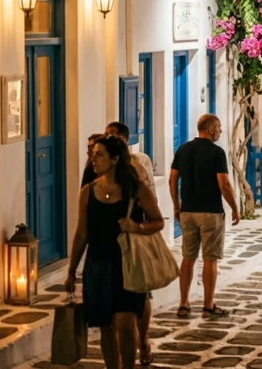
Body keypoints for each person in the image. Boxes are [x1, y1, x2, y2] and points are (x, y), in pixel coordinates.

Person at [65, 136, 165, 369]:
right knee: (106, 327)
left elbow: (158, 222)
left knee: (125, 324)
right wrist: (71, 270)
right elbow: (82, 234)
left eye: (99, 154)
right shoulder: (88, 192)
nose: (93, 158)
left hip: (128, 265)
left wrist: (137, 227)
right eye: (93, 154)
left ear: (115, 159)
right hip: (98, 265)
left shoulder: (136, 190)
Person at [170, 115, 241, 319]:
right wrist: (234, 208)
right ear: (210, 129)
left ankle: (183, 304)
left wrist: (177, 206)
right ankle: (208, 306)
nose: (220, 131)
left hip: (188, 212)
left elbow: (172, 180)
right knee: (210, 259)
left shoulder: (183, 149)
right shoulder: (217, 153)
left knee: (188, 258)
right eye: (218, 127)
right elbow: (224, 184)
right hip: (210, 212)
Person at [104, 123, 155, 365]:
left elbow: (150, 204)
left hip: (136, 245)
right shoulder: (98, 171)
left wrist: (140, 229)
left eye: (113, 137)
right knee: (114, 314)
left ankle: (142, 341)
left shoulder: (139, 165)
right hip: (108, 250)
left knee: (141, 298)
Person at [106, 122, 154, 188]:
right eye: (106, 135)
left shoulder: (138, 162)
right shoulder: (105, 161)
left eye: (110, 136)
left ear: (123, 138)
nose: (106, 139)